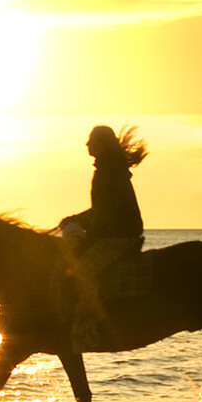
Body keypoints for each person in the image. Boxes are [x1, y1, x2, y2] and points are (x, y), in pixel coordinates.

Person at [59, 125, 148, 351]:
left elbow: (103, 213)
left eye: (91, 140)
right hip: (116, 232)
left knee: (82, 272)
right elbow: (101, 210)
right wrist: (75, 219)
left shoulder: (107, 171)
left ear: (102, 144)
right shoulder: (110, 167)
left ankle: (88, 331)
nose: (87, 144)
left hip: (119, 236)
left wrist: (76, 221)